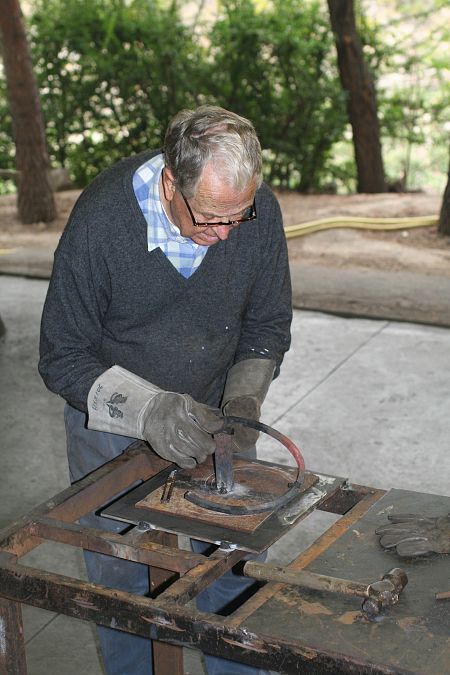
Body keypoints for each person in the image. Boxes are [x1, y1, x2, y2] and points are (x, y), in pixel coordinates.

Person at [39, 105, 292, 675]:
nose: (224, 235)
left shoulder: (259, 211)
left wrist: (244, 402)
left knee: (234, 572)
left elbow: (267, 325)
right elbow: (62, 356)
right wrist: (149, 410)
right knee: (126, 587)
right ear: (170, 182)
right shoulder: (102, 222)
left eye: (238, 216)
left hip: (217, 418)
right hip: (112, 422)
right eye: (209, 217)